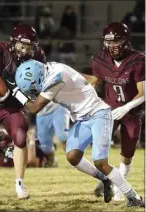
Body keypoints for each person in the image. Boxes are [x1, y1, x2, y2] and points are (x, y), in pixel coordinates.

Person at [12, 59, 144, 207]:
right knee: (72, 156)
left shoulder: (55, 78)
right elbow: (75, 74)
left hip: (99, 114)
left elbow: (34, 108)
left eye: (32, 87)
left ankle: (134, 197)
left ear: (38, 77)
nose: (33, 91)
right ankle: (105, 179)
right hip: (82, 118)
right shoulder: (52, 67)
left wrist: (18, 94)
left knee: (101, 162)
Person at [0, 23, 46, 199]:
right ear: (13, 43)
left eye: (29, 46)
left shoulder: (37, 56)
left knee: (20, 135)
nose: (25, 50)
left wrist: (26, 94)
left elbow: (39, 84)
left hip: (15, 104)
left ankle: (19, 183)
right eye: (22, 45)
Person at [82, 22, 145, 201]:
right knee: (99, 148)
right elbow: (94, 81)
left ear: (126, 41)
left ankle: (120, 179)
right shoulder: (100, 59)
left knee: (127, 153)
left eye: (116, 41)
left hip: (132, 111)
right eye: (109, 42)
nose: (112, 46)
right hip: (109, 108)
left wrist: (126, 107)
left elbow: (143, 93)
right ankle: (111, 182)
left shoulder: (138, 60)